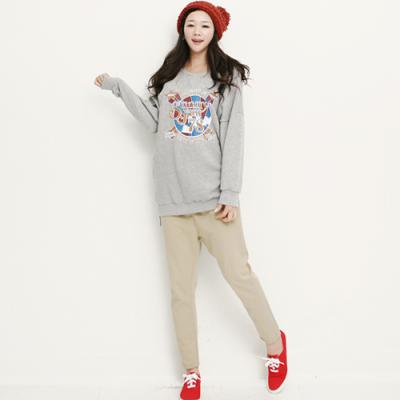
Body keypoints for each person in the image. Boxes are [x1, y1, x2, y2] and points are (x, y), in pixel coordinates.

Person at [94, 1, 288, 398]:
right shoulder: (168, 79)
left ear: (215, 33)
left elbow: (234, 136)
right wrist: (119, 88)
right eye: (191, 25)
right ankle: (191, 371)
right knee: (181, 291)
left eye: (205, 26)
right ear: (183, 30)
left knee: (240, 275)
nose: (197, 31)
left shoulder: (225, 79)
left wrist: (230, 192)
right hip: (173, 203)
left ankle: (274, 343)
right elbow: (153, 123)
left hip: (215, 202)